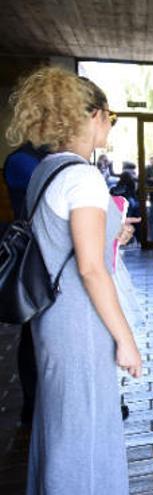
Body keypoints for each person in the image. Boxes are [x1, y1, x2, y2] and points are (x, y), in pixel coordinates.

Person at [6, 65, 142, 494]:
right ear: (93, 115)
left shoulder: (48, 169)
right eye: (110, 117)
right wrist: (126, 338)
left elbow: (62, 240)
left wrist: (110, 233)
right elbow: (90, 268)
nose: (109, 127)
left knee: (62, 423)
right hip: (82, 320)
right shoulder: (83, 176)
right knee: (83, 430)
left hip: (54, 316)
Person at [2, 141, 49, 426]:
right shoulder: (23, 161)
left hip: (42, 254)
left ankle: (37, 405)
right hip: (32, 256)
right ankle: (33, 406)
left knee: (38, 333)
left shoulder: (36, 158)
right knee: (35, 332)